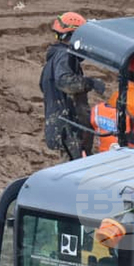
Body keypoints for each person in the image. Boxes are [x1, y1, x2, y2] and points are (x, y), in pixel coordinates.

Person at [40, 11, 105, 161]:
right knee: (72, 174)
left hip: (63, 127)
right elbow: (64, 82)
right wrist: (90, 83)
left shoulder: (54, 60)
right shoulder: (64, 55)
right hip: (68, 129)